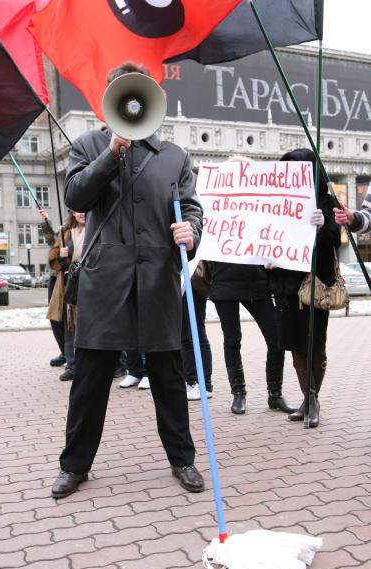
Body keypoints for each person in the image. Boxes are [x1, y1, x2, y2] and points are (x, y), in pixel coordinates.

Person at [51, 61, 205, 499]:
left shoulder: (174, 156)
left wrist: (191, 230)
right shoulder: (86, 146)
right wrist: (111, 152)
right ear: (108, 100)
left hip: (157, 279)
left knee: (168, 375)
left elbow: (191, 207)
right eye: (121, 95)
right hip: (104, 280)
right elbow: (77, 196)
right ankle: (74, 465)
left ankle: (183, 459)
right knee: (91, 378)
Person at [208, 156, 294, 416]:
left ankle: (274, 394)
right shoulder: (212, 205)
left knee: (276, 339)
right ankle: (238, 392)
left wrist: (276, 256)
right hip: (224, 281)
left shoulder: (260, 205)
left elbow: (278, 233)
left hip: (257, 281)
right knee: (232, 339)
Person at [270, 148, 341, 427]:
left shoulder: (326, 200)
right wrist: (269, 259)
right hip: (287, 286)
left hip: (315, 286)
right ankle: (308, 398)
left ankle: (312, 400)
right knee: (295, 344)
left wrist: (324, 226)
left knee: (315, 342)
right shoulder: (277, 200)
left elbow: (335, 241)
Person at [47, 210, 86, 381]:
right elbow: (53, 257)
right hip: (71, 280)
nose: (82, 213)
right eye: (78, 210)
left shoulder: (96, 228)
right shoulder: (66, 231)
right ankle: (72, 365)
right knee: (70, 322)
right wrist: (61, 255)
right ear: (73, 213)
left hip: (92, 278)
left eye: (85, 210)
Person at [182, 260, 213, 401]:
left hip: (194, 280)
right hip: (179, 280)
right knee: (184, 335)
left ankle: (205, 385)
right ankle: (190, 381)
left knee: (198, 334)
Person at [39, 209, 66, 368]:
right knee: (55, 317)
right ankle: (65, 351)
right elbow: (52, 241)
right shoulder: (65, 229)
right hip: (56, 276)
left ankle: (72, 353)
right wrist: (45, 222)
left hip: (70, 276)